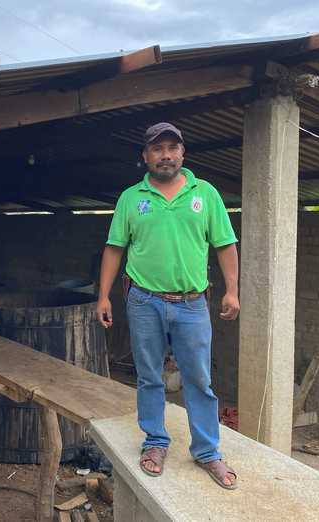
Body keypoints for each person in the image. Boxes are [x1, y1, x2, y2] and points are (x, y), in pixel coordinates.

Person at [96, 122, 240, 489]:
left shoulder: (204, 194)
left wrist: (232, 290)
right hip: (144, 301)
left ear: (182, 153)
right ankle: (155, 442)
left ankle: (207, 451)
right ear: (145, 156)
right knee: (148, 377)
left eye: (172, 148)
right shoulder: (132, 198)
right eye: (157, 149)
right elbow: (115, 247)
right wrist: (103, 296)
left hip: (193, 304)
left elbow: (224, 244)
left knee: (199, 380)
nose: (165, 155)